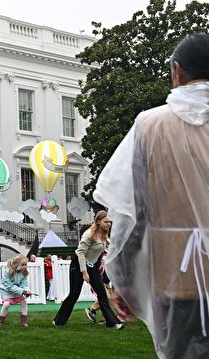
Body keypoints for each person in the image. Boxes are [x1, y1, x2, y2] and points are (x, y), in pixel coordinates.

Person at [93, 33, 209, 358]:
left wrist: (126, 279)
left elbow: (136, 211)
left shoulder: (150, 126)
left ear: (176, 70)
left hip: (176, 271)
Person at [52, 211, 123, 329]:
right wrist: (84, 272)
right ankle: (58, 321)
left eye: (110, 222)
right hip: (78, 265)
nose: (109, 224)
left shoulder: (104, 235)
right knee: (74, 294)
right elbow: (80, 253)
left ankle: (112, 323)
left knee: (102, 294)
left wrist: (102, 262)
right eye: (106, 221)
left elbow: (105, 250)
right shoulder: (89, 234)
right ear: (98, 221)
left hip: (92, 266)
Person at [0, 254, 33, 327]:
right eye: (23, 265)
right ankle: (0, 321)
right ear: (17, 264)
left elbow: (24, 283)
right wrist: (22, 291)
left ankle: (24, 322)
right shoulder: (8, 272)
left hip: (17, 290)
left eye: (26, 264)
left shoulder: (23, 272)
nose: (25, 266)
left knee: (24, 301)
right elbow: (9, 286)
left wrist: (27, 290)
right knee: (6, 304)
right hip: (6, 290)